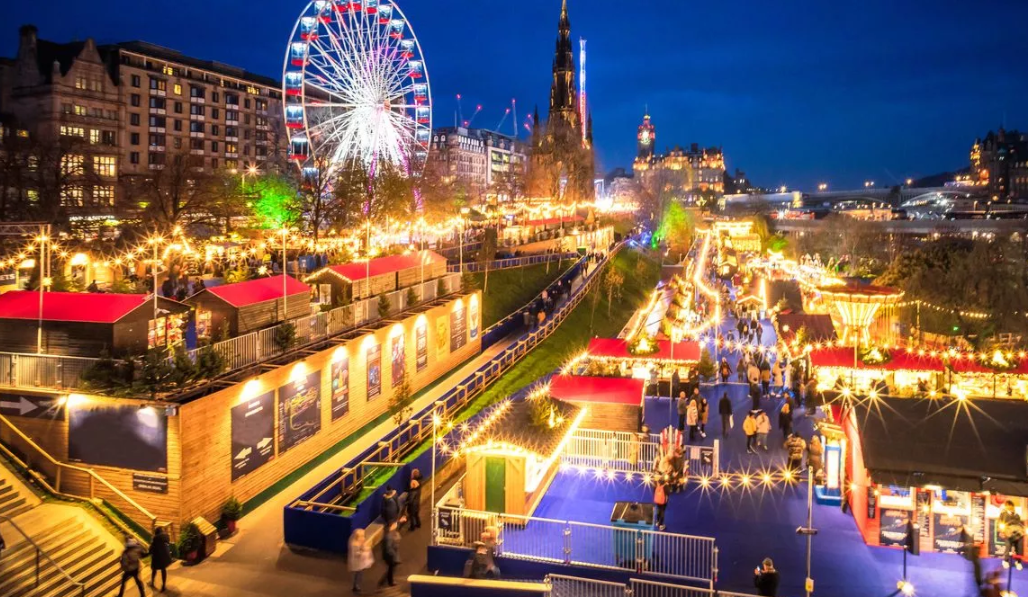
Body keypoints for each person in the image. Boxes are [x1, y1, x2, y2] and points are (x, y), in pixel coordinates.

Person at [999, 500, 1024, 570]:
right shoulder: (1003, 514)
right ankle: (1005, 561)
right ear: (1006, 506)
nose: (1010, 507)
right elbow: (1000, 523)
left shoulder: (1017, 515)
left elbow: (1019, 524)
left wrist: (1022, 530)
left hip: (1017, 534)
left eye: (1011, 506)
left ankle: (1018, 562)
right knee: (1008, 547)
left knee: (1019, 548)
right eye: (1008, 505)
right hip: (1008, 533)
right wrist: (1001, 531)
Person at [349, 528, 374, 594]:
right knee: (358, 574)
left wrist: (365, 547)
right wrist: (363, 551)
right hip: (357, 562)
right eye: (362, 536)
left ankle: (356, 585)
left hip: (360, 561)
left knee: (360, 574)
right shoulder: (354, 544)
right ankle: (356, 586)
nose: (363, 537)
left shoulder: (360, 542)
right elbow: (356, 554)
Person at [148, 526, 173, 592]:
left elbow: (150, 550)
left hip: (157, 558)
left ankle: (152, 582)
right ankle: (163, 585)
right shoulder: (166, 536)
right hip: (165, 557)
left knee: (154, 569)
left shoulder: (155, 539)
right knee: (163, 569)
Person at [378, 521, 401, 588]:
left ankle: (387, 581)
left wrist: (400, 521)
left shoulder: (391, 532)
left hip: (391, 555)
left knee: (391, 568)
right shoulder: (388, 536)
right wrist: (394, 556)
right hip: (390, 556)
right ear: (391, 526)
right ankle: (388, 581)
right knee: (392, 569)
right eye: (394, 524)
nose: (396, 525)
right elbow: (388, 548)